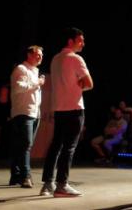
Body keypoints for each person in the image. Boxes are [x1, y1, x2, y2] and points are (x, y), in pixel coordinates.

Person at [41, 28, 93, 197]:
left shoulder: (55, 59)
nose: (83, 44)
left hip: (59, 108)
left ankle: (47, 184)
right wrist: (79, 83)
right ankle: (62, 185)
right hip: (74, 108)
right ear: (70, 41)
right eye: (80, 40)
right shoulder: (76, 59)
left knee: (56, 145)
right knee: (69, 147)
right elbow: (89, 84)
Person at [9, 45, 45, 188]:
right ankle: (25, 176)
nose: (40, 57)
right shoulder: (21, 69)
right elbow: (19, 87)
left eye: (41, 55)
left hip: (34, 112)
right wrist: (38, 83)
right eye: (37, 54)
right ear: (29, 55)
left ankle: (15, 176)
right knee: (26, 145)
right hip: (23, 112)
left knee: (21, 146)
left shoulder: (34, 71)